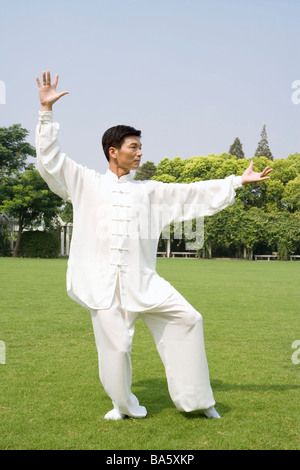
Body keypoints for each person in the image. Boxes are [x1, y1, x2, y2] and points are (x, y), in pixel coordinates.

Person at [35, 71, 272, 421]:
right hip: (101, 285)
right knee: (116, 350)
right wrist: (45, 113)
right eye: (134, 147)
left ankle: (196, 401)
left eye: (140, 147)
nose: (140, 153)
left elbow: (193, 193)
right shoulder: (82, 181)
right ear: (113, 152)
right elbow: (50, 160)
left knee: (189, 319)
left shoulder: (149, 191)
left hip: (144, 282)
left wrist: (237, 181)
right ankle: (124, 406)